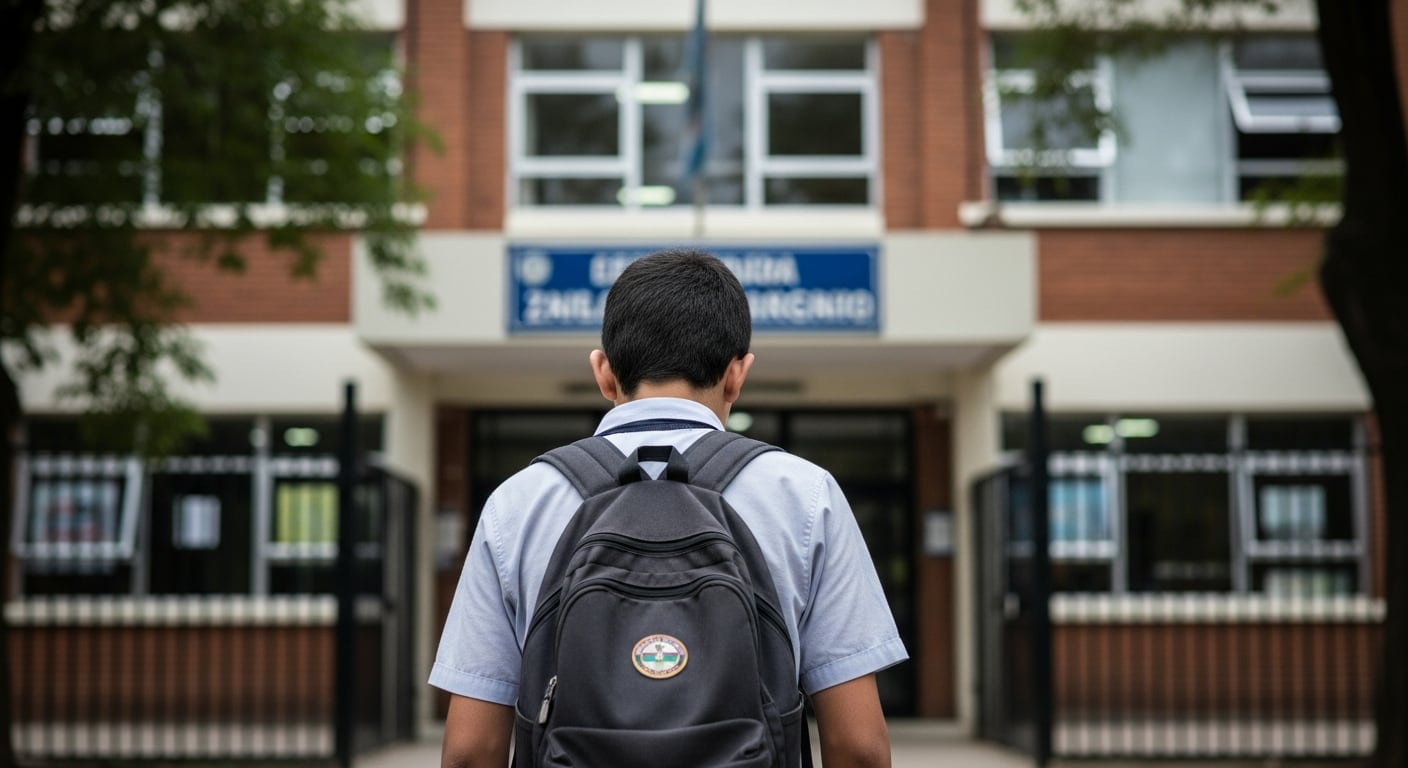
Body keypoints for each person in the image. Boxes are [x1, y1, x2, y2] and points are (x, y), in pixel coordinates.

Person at [431, 249, 908, 768]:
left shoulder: (518, 502)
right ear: (737, 374)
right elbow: (859, 748)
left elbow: (470, 751)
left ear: (603, 373)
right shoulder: (807, 495)